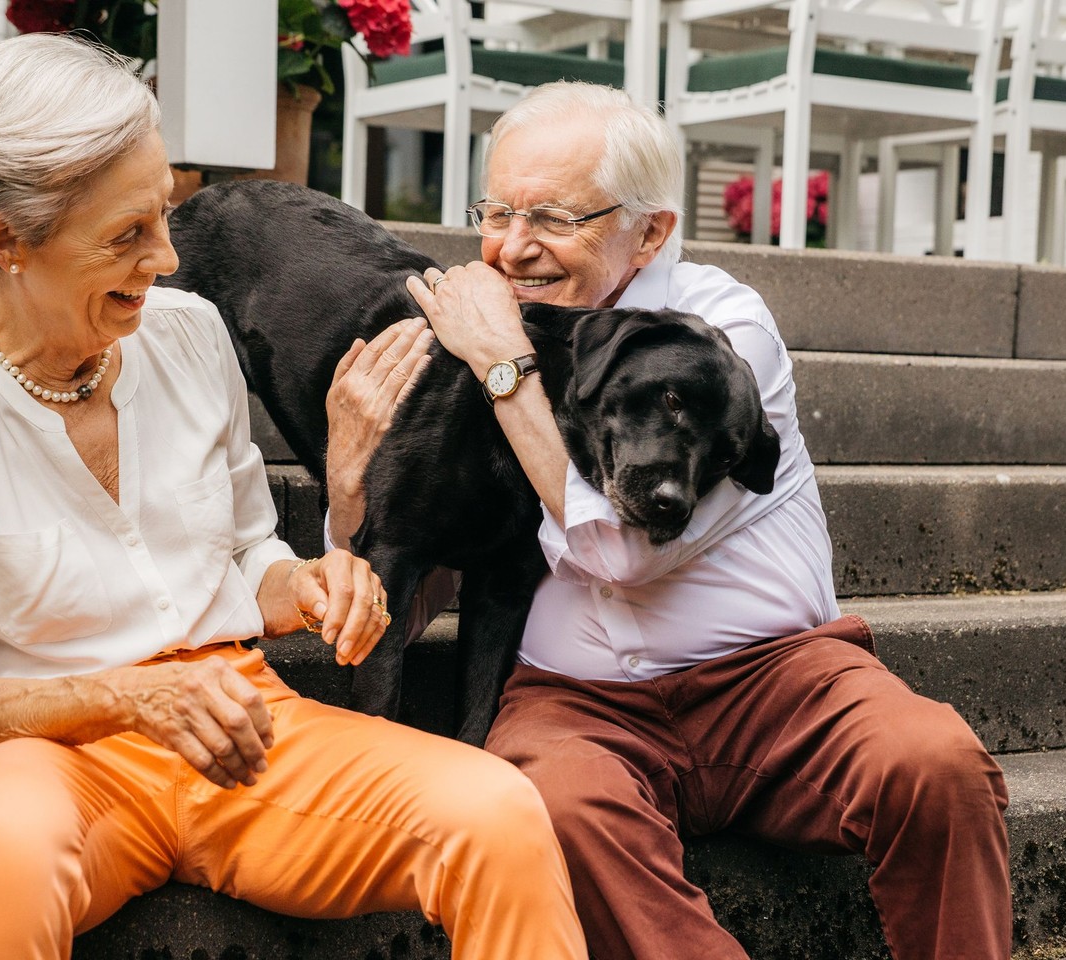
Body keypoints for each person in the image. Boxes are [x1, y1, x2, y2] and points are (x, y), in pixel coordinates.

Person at [0, 34, 586, 960]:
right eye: (127, 234)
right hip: (53, 764)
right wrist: (130, 700)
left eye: (163, 217)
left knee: (496, 809)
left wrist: (308, 583)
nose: (168, 259)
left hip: (243, 726)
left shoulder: (188, 335)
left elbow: (244, 550)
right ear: (5, 238)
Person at [325, 80, 1012, 960]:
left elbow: (626, 554)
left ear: (649, 231)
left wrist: (504, 371)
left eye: (551, 217)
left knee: (934, 762)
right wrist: (351, 492)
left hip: (778, 685)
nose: (508, 248)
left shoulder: (716, 333)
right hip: (579, 705)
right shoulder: (487, 326)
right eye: (495, 211)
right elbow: (400, 597)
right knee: (557, 810)